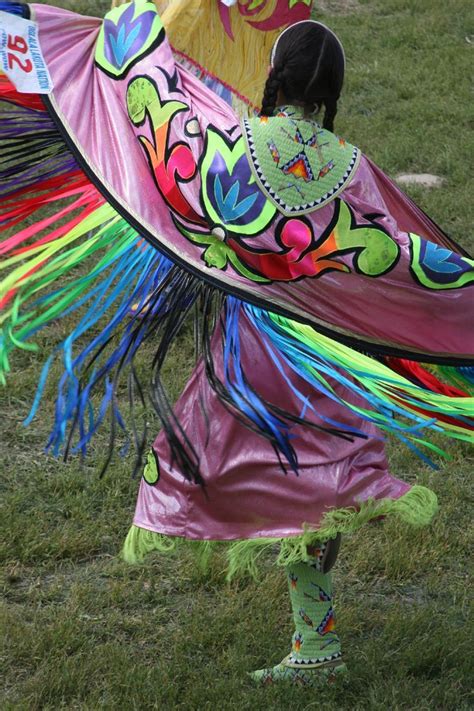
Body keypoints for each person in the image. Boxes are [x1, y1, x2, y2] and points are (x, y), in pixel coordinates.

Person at [0, 0, 472, 688]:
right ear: (331, 96)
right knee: (316, 486)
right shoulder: (353, 168)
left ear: (274, 80)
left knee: (250, 473)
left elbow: (159, 121)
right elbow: (399, 257)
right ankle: (316, 635)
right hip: (320, 360)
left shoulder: (230, 145)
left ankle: (315, 641)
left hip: (249, 357)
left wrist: (134, 30)